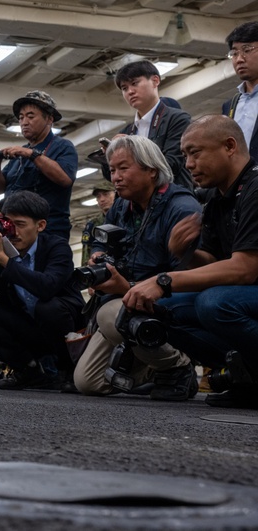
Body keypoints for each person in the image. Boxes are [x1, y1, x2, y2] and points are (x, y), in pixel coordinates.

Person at [123, 115, 258, 408]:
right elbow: (211, 261)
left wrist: (164, 279)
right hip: (246, 295)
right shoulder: (214, 197)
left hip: (246, 289)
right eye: (184, 155)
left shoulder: (256, 187)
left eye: (195, 153)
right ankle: (247, 377)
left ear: (229, 146)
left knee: (214, 303)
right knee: (157, 310)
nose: (188, 164)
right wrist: (186, 252)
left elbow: (245, 269)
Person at [73, 135, 202, 400]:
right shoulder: (121, 204)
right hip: (125, 306)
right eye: (112, 170)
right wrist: (98, 255)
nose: (116, 177)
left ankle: (178, 365)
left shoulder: (181, 208)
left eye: (123, 168)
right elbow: (103, 240)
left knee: (109, 315)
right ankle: (157, 372)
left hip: (167, 305)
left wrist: (128, 287)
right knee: (88, 383)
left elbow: (190, 280)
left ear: (151, 170)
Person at [0, 191, 85, 390]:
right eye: (9, 225)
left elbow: (47, 287)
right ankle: (28, 370)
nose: (13, 232)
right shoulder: (4, 249)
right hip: (29, 329)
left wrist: (3, 260)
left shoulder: (57, 247)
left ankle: (67, 370)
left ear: (40, 225)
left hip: (65, 330)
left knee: (48, 307)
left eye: (20, 225)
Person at [0, 90, 78, 241]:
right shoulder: (20, 153)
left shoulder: (62, 147)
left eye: (30, 116)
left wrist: (31, 154)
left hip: (48, 233)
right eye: (21, 118)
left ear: (49, 119)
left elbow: (65, 178)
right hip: (15, 233)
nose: (24, 122)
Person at [104, 60, 193, 188]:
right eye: (124, 88)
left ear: (155, 81)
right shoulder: (127, 132)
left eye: (135, 83)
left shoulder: (177, 119)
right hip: (140, 204)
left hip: (172, 198)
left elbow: (172, 164)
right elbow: (114, 177)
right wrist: (109, 156)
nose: (130, 91)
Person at [222, 21, 258, 161]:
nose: (239, 59)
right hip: (241, 180)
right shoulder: (230, 105)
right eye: (234, 53)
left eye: (247, 50)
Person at [81, 181, 116, 265]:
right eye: (98, 196)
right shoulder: (93, 224)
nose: (102, 199)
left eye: (106, 194)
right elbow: (87, 251)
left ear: (116, 194)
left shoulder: (125, 217)